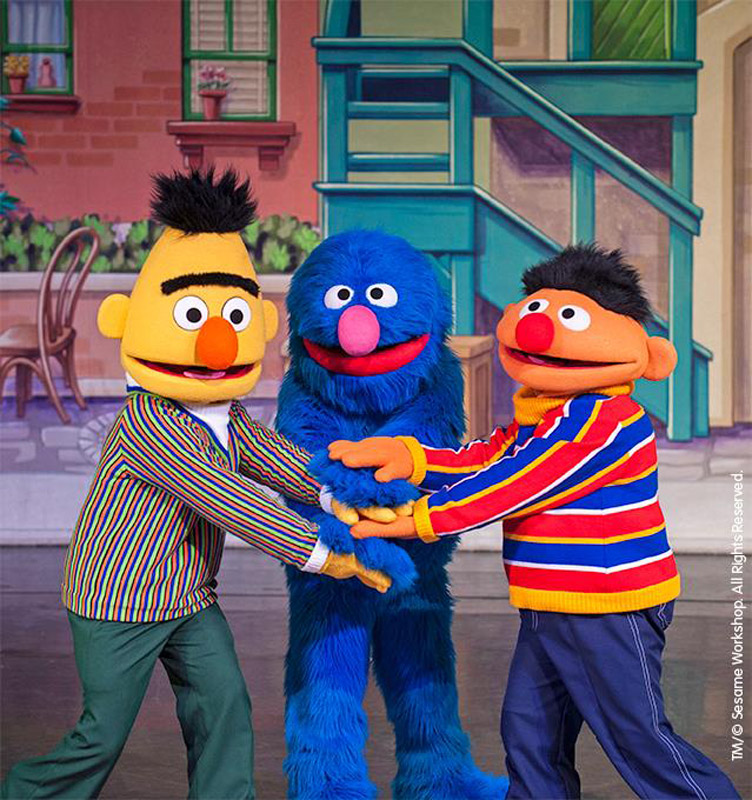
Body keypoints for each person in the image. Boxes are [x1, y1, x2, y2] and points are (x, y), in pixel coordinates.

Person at [1, 168, 389, 800]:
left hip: (186, 595)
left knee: (224, 705)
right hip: (119, 601)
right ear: (131, 320)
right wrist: (326, 554)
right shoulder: (149, 423)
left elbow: (268, 455)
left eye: (234, 316)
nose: (216, 341)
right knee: (101, 736)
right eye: (193, 315)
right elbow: (230, 500)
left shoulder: (221, 413)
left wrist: (334, 492)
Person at [330, 244, 740, 800]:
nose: (539, 328)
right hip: (551, 601)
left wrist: (423, 518)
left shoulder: (604, 420)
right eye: (538, 309)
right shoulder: (548, 414)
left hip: (605, 605)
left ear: (648, 355)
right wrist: (413, 459)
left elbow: (519, 482)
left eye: (567, 317)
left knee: (638, 739)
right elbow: (492, 458)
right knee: (530, 733)